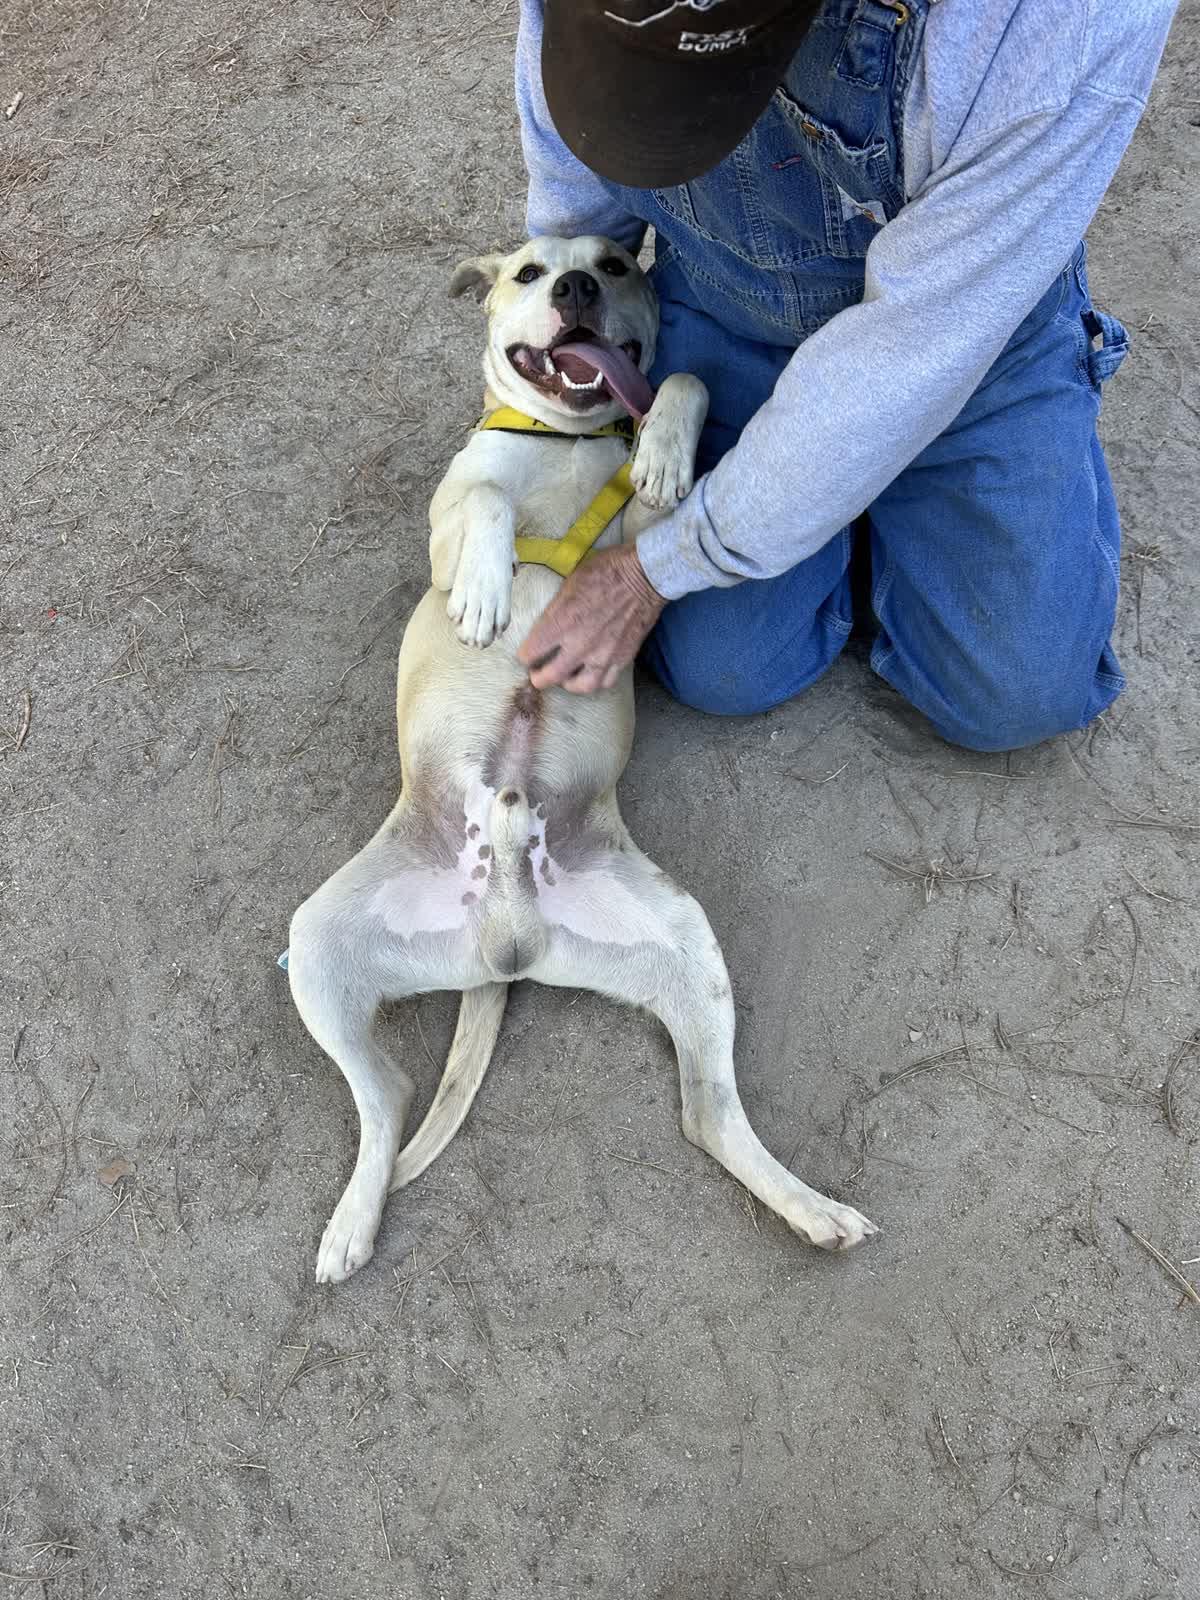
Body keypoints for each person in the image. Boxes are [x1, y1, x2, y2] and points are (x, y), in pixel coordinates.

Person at [511, 0, 1178, 751]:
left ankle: (867, 491)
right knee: (722, 671)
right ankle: (825, 501)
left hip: (961, 330)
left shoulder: (1055, 19)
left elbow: (911, 352)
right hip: (731, 297)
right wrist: (567, 358)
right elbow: (578, 178)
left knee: (1016, 696)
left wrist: (653, 569)